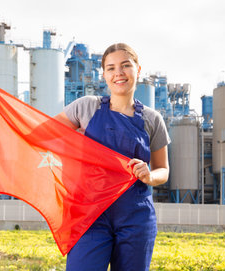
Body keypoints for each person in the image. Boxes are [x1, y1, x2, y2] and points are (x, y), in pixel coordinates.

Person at [54, 43, 170, 271]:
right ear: (104, 74)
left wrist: (149, 176)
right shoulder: (86, 107)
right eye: (111, 68)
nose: (118, 73)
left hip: (135, 217)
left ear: (137, 70)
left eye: (125, 65)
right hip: (90, 214)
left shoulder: (152, 119)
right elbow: (45, 135)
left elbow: (163, 170)